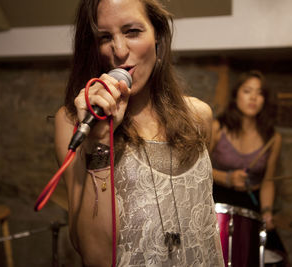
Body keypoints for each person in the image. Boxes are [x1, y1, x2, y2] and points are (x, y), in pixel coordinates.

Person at [54, 0, 224, 266]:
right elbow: (96, 257)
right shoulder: (74, 122)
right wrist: (100, 139)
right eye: (105, 37)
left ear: (158, 36)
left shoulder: (199, 117)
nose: (119, 51)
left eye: (132, 31)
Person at [210, 70, 288, 266]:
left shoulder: (272, 138)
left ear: (264, 100)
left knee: (276, 256)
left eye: (259, 93)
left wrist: (267, 211)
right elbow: (197, 169)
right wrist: (226, 178)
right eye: (247, 91)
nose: (253, 97)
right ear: (236, 95)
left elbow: (268, 181)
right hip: (216, 199)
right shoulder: (217, 127)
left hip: (250, 202)